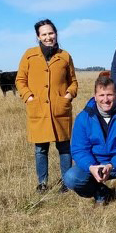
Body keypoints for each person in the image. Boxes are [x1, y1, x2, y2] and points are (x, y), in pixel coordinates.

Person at [15, 18, 78, 192]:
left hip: (60, 110)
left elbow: (73, 82)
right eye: (44, 34)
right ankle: (42, 183)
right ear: (38, 37)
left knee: (64, 148)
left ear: (56, 34)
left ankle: (67, 182)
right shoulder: (29, 55)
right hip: (38, 109)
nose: (48, 37)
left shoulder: (65, 56)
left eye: (51, 33)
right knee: (40, 148)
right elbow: (20, 80)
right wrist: (28, 97)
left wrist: (68, 95)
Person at [62, 76, 116, 206]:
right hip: (96, 164)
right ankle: (100, 192)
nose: (105, 100)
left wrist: (112, 164)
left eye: (110, 95)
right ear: (95, 96)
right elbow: (79, 149)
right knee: (71, 178)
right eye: (101, 95)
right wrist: (91, 167)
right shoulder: (84, 117)